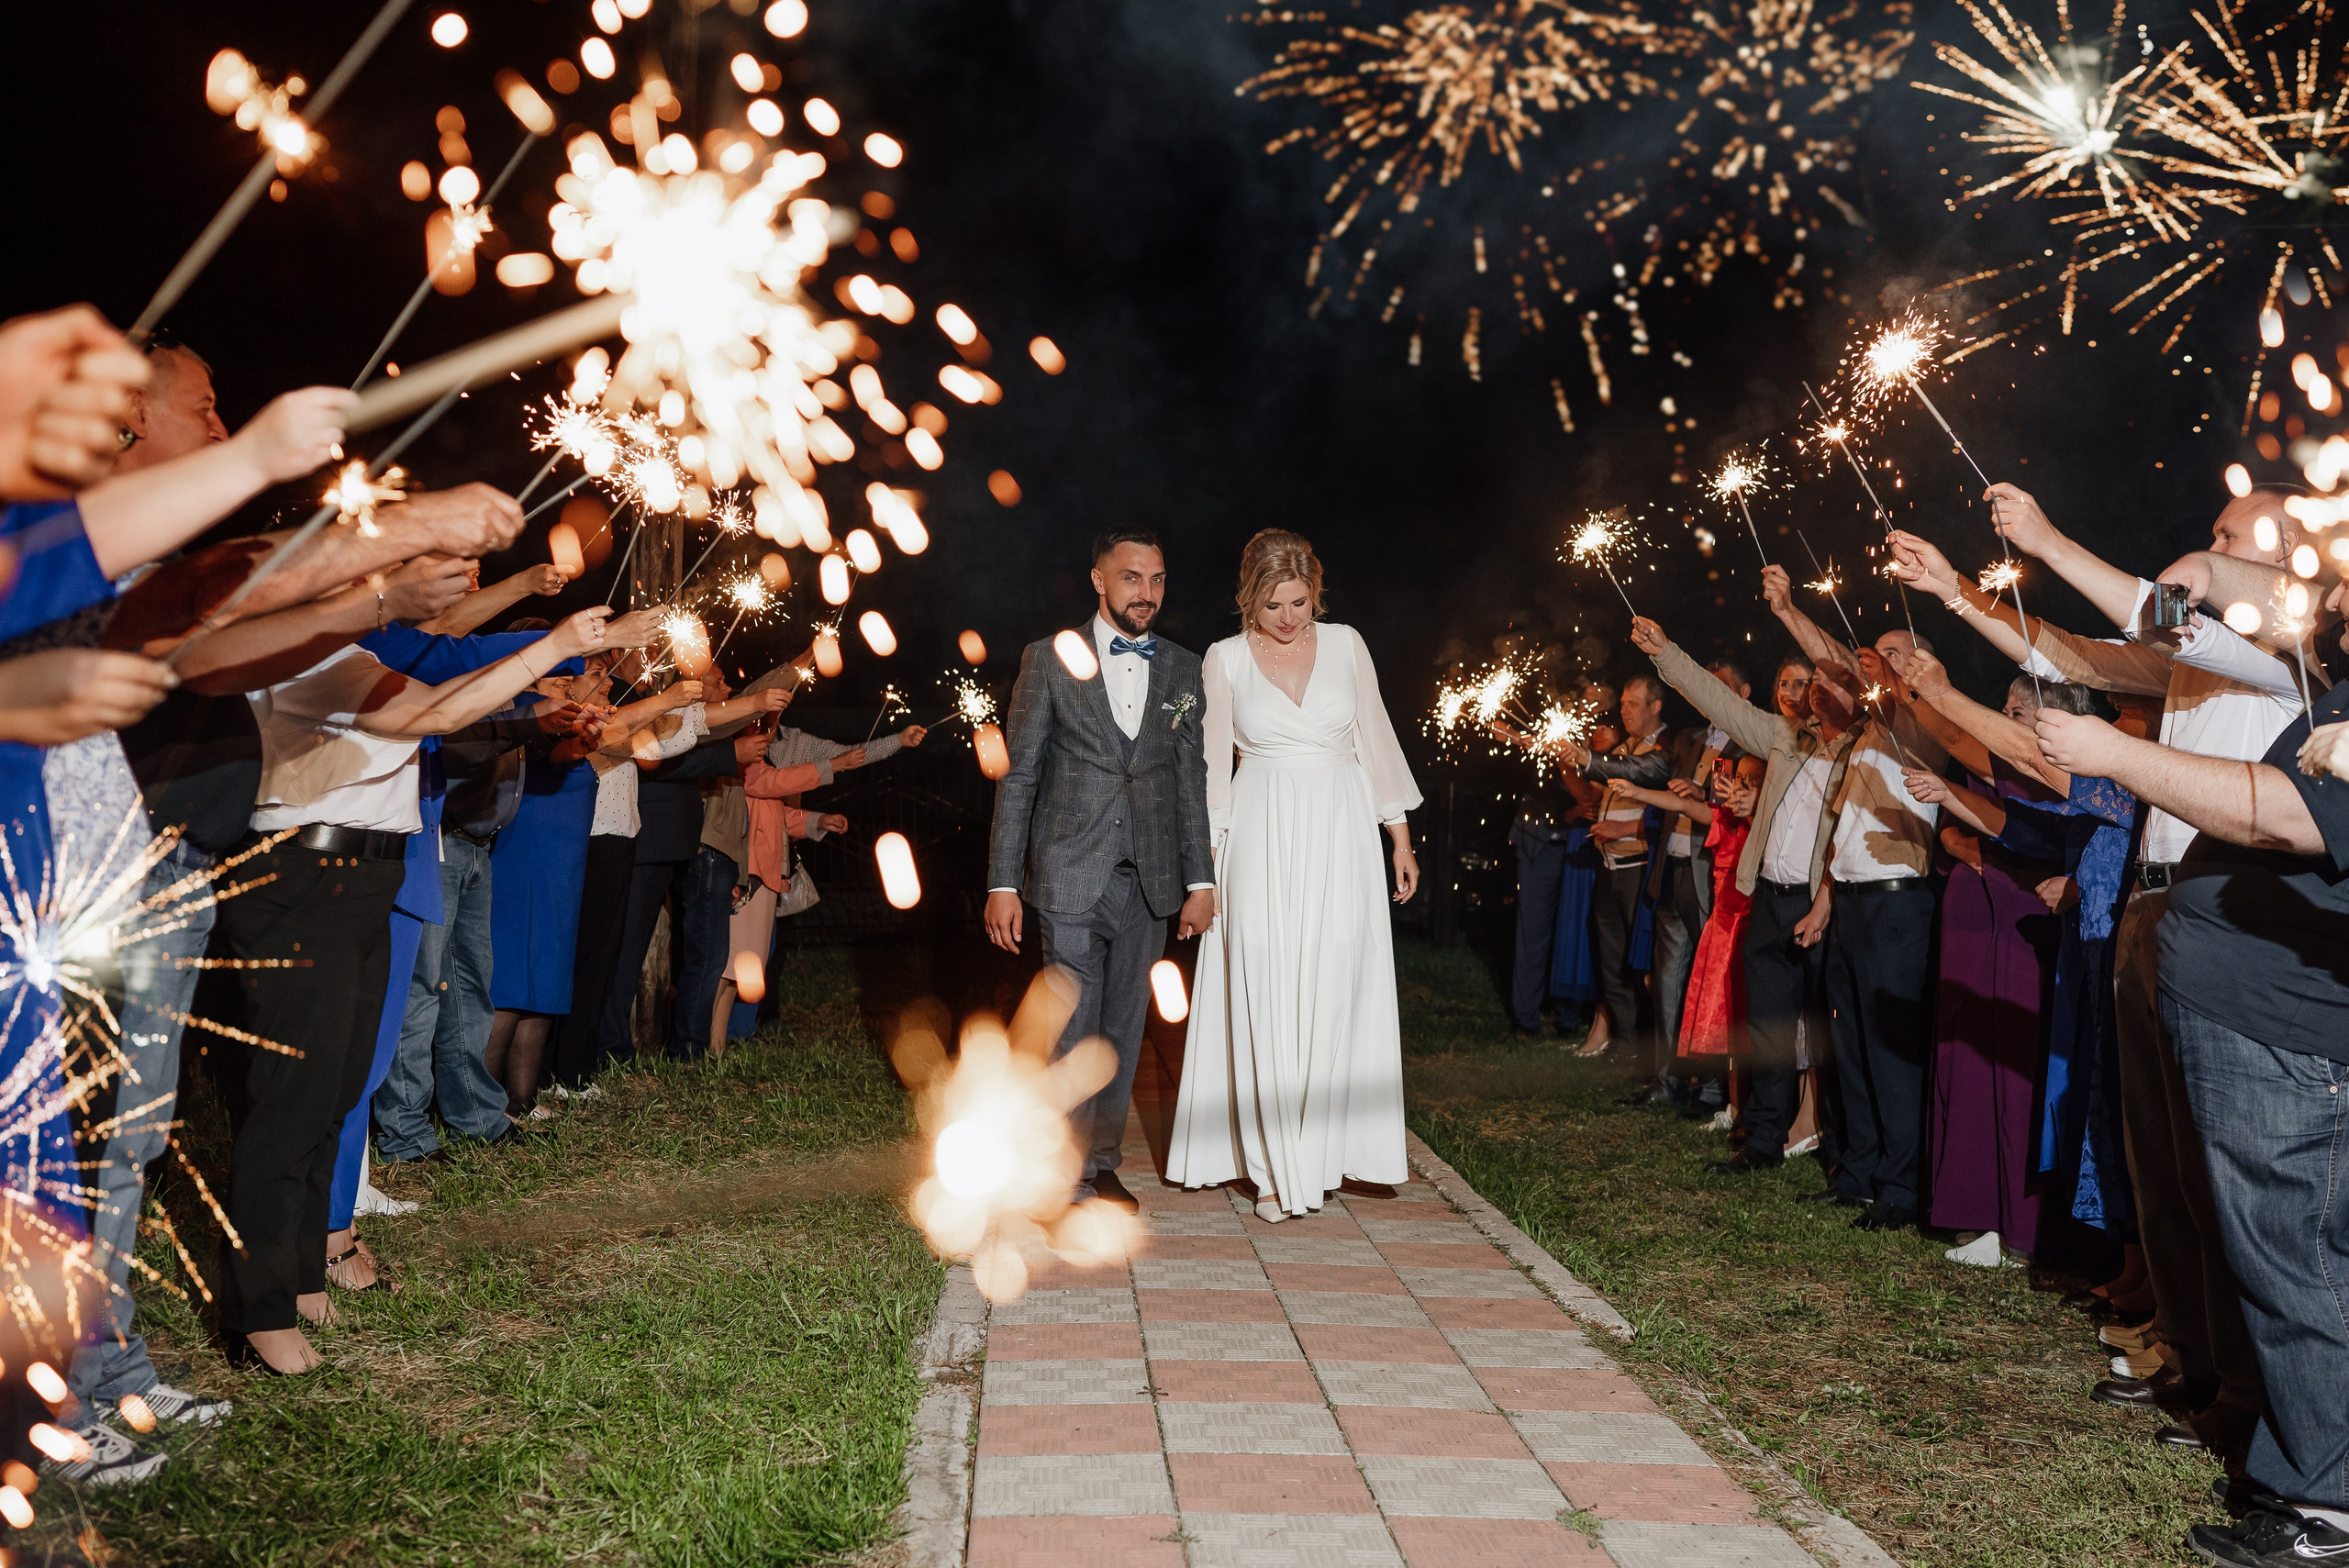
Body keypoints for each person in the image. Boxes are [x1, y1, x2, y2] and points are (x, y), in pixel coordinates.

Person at [1893, 515, 2297, 1449]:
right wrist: (1956, 591)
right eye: (2212, 529)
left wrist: (2042, 537)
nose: (2212, 535)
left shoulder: (2280, 650)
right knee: (2159, 1162)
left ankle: (2246, 1396)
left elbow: (2163, 596)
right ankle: (2196, 1368)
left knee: (2217, 1165)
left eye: (2238, 530)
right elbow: (2070, 647)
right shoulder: (2183, 661)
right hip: (2152, 911)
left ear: (2282, 559)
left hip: (2227, 906)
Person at [203, 606, 615, 1375]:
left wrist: (533, 713)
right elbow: (438, 702)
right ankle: (255, 1313)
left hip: (366, 873)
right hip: (303, 875)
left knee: (331, 1091)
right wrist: (554, 647)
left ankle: (297, 1279)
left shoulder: (357, 652)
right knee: (292, 1097)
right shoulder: (307, 650)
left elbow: (449, 718)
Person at [2033, 578, 2349, 1568]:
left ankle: (2328, 1502)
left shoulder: (2260, 658)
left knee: (2294, 1254)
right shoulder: (2296, 675)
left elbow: (2288, 818)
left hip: (2286, 1022)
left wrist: (2113, 751)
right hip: (2236, 1002)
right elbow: (2117, 637)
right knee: (2255, 1243)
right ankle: (2292, 1464)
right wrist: (1965, 599)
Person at [1166, 530, 1419, 1219]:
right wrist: (1205, 872)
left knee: (1337, 985)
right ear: (1250, 598)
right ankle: (1276, 1168)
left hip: (1341, 834)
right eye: (1273, 604)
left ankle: (1322, 1155)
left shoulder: (1347, 645)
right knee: (1268, 989)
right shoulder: (1223, 660)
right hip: (1260, 837)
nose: (1287, 617)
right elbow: (1214, 772)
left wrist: (1398, 836)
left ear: (1317, 593)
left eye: (1300, 602)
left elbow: (1375, 740)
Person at [985, 528, 1216, 1214]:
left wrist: (1199, 880)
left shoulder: (1182, 667)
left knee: (1122, 1026)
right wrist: (1003, 880)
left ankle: (1101, 1162)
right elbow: (1018, 775)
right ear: (1098, 580)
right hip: (1068, 875)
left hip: (1149, 880)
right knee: (1072, 1026)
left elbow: (1189, 783)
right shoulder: (1048, 659)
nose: (1146, 593)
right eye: (1132, 578)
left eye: (1158, 579)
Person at [1633, 614, 1842, 1175]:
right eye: (1797, 684)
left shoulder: (1855, 747)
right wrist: (1666, 652)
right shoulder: (1783, 735)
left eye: (1816, 683)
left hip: (1820, 903)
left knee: (1829, 1030)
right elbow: (1719, 704)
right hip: (1768, 897)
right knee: (1767, 1029)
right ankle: (1763, 1142)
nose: (1804, 695)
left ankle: (1842, 1152)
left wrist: (1788, 608)